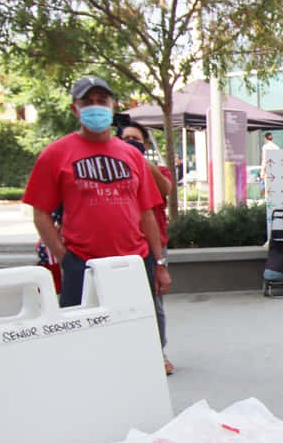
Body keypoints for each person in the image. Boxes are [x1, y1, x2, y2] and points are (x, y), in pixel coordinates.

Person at [23, 76, 172, 363]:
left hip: (134, 261)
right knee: (82, 347)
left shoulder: (131, 155)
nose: (95, 107)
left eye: (101, 101)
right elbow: (40, 213)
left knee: (139, 342)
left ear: (112, 105)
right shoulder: (55, 154)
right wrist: (64, 257)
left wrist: (158, 263)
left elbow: (147, 213)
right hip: (83, 263)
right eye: (86, 102)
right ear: (74, 109)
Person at [119, 121, 175, 375]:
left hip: (153, 245)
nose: (132, 142)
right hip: (122, 244)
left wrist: (140, 159)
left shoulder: (156, 168)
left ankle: (158, 351)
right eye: (127, 138)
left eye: (137, 139)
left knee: (154, 300)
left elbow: (166, 189)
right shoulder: (116, 169)